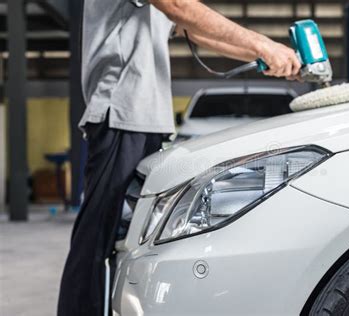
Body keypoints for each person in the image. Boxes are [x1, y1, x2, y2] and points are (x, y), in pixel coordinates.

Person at [58, 0, 302, 315]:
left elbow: (197, 32)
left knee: (123, 238)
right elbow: (180, 7)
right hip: (121, 114)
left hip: (142, 119)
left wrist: (266, 55)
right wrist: (264, 45)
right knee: (97, 239)